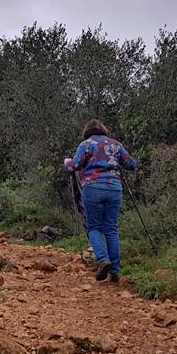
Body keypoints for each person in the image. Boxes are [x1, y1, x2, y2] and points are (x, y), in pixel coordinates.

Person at [63, 119, 137, 282]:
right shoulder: (116, 144)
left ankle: (103, 260)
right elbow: (131, 164)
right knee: (111, 228)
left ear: (87, 132)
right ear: (104, 130)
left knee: (94, 227)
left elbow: (73, 166)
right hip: (114, 188)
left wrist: (66, 162)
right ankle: (115, 271)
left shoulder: (85, 145)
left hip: (93, 187)